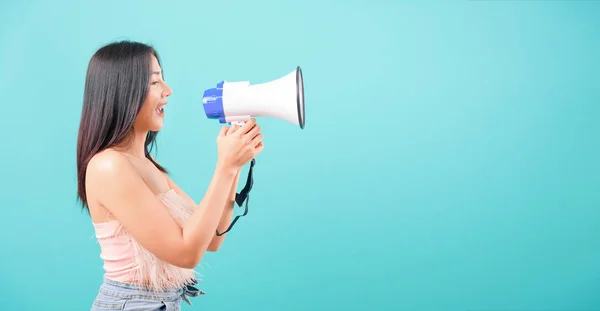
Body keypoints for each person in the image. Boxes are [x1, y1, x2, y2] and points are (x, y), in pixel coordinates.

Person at [76, 40, 264, 310]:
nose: (168, 91)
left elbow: (212, 239)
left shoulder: (145, 163)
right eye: (155, 82)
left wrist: (234, 167)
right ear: (124, 90)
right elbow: (186, 254)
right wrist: (224, 166)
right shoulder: (109, 166)